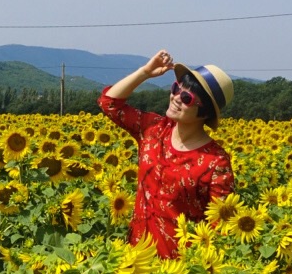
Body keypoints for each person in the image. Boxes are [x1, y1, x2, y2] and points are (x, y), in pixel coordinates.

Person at [98, 50, 235, 259]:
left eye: (187, 98)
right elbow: (109, 103)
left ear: (205, 113)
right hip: (135, 259)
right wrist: (145, 72)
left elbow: (221, 225)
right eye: (176, 89)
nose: (176, 98)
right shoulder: (154, 129)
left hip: (178, 272)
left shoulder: (215, 162)